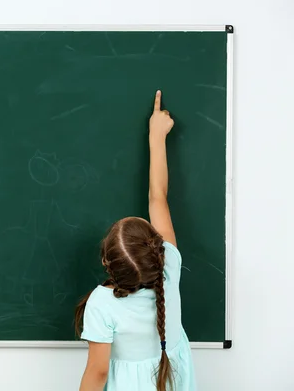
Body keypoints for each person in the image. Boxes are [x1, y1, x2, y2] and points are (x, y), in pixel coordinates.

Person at [75, 91, 196, 391]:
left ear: (108, 265)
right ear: (155, 247)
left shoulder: (102, 303)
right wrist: (157, 137)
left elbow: (97, 374)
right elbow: (158, 196)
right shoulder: (168, 266)